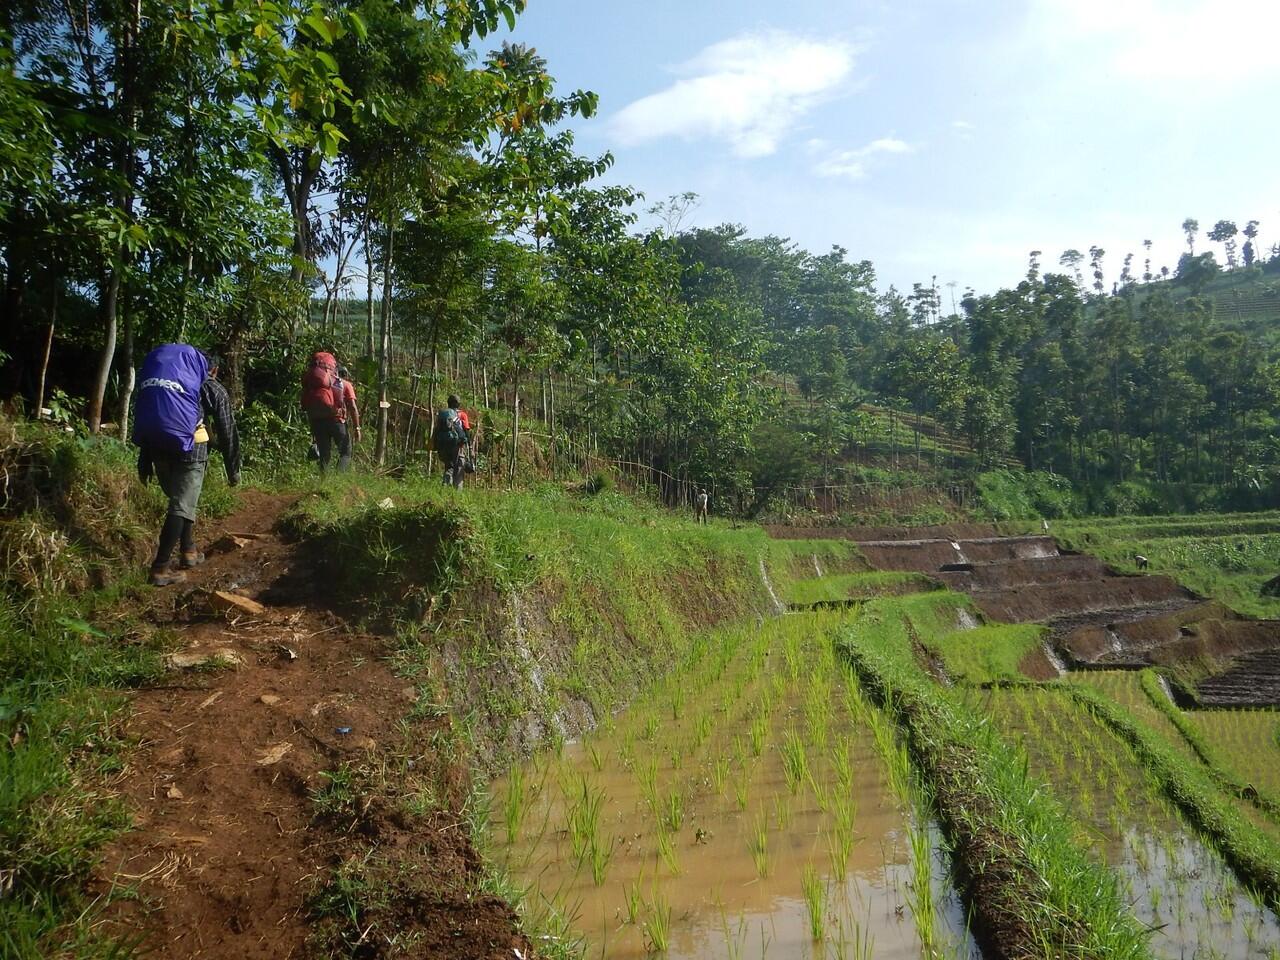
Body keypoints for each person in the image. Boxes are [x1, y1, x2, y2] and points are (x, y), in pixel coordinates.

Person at [135, 346, 240, 586]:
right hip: (191, 450)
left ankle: (189, 551)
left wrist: (144, 460)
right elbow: (227, 431)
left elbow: (153, 417)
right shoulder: (211, 386)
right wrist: (233, 469)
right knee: (181, 506)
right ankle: (161, 567)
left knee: (181, 502)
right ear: (212, 368)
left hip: (156, 447)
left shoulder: (168, 382)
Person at [301, 351, 351, 473]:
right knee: (345, 452)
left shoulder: (318, 384)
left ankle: (323, 482)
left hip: (318, 421)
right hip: (337, 421)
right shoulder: (345, 384)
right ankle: (339, 479)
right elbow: (353, 407)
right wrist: (357, 427)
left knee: (324, 453)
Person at [431, 394, 471, 489]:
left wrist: (435, 444)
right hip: (456, 445)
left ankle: (446, 487)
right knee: (458, 468)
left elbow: (436, 429)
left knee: (448, 466)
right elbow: (466, 430)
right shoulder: (462, 414)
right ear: (458, 404)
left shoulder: (443, 414)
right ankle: (456, 491)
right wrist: (468, 444)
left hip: (443, 444)